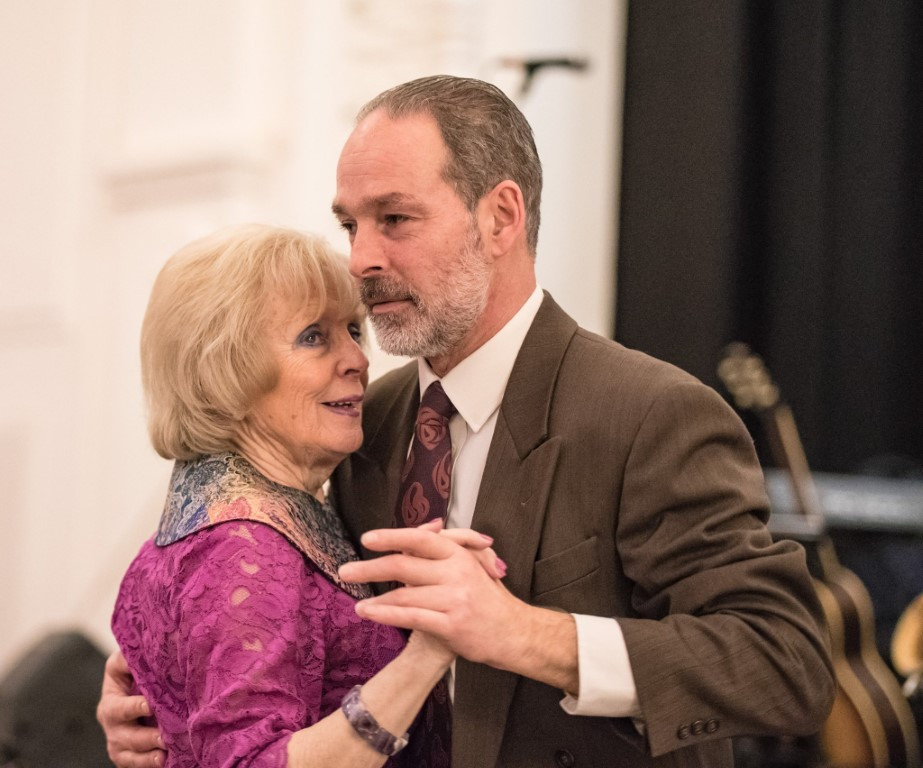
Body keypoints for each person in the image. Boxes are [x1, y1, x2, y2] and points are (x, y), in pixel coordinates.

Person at [99, 77, 835, 768]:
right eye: (350, 225)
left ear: (500, 217)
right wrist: (169, 682)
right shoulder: (359, 426)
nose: (360, 259)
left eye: (394, 219)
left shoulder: (651, 414)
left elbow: (785, 665)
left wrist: (525, 634)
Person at [106, 224, 503, 768]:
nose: (357, 359)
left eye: (353, 330)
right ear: (225, 371)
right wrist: (430, 651)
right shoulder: (238, 548)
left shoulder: (242, 517)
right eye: (313, 337)